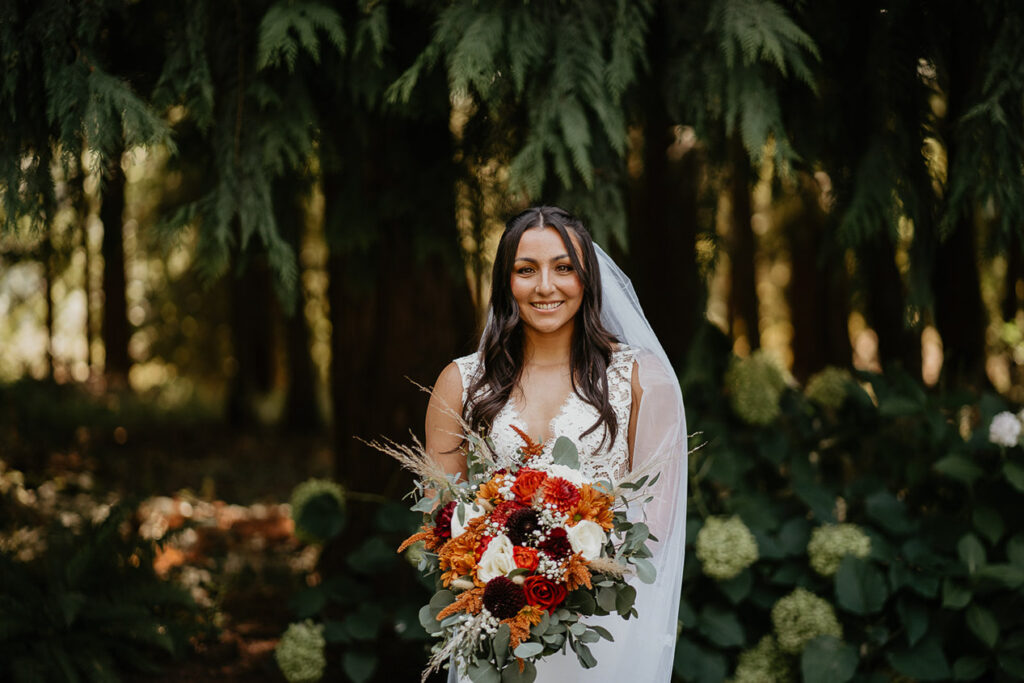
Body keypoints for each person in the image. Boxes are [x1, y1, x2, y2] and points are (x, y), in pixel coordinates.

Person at [426, 206, 688, 682]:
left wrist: (561, 570)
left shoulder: (641, 379)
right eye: (526, 270)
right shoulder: (461, 383)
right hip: (498, 631)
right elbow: (441, 521)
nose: (546, 286)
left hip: (604, 632)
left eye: (563, 267)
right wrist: (504, 575)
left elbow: (656, 528)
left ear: (587, 278)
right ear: (506, 282)